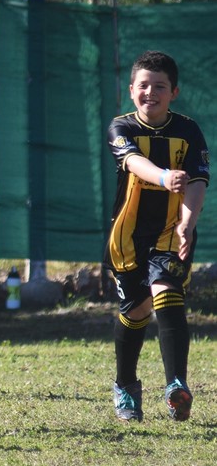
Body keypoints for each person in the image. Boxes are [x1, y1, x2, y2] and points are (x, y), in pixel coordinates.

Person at [104, 50, 208, 423]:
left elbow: (197, 181)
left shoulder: (189, 131)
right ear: (132, 90)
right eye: (144, 86)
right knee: (135, 312)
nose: (151, 93)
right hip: (127, 236)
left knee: (167, 293)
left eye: (160, 86)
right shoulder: (121, 128)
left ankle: (176, 385)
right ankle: (125, 385)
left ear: (174, 92)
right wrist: (164, 177)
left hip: (171, 231)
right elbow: (134, 162)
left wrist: (187, 223)